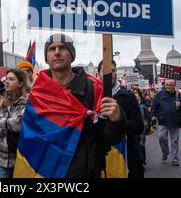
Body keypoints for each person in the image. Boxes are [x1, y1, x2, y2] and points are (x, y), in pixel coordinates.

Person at [27, 33, 126, 177]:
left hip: (86, 172)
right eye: (51, 49)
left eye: (62, 47)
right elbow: (31, 138)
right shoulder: (37, 93)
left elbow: (111, 138)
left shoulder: (95, 89)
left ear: (72, 54)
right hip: (47, 172)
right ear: (46, 58)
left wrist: (117, 120)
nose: (57, 52)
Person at [97, 59, 144, 178]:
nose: (110, 73)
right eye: (106, 70)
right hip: (99, 157)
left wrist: (118, 121)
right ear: (98, 74)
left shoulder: (128, 96)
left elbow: (139, 127)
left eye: (112, 70)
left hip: (126, 155)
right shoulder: (93, 95)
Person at [0, 69, 29, 178]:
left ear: (21, 83)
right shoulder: (3, 102)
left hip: (21, 159)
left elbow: (18, 125)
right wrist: (8, 122)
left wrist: (0, 122)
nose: (7, 82)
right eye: (7, 79)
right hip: (1, 159)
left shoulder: (28, 101)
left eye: (12, 79)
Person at [151, 80, 181, 166]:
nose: (168, 86)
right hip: (163, 120)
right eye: (166, 85)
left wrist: (180, 105)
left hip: (175, 121)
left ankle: (175, 159)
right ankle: (165, 152)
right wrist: (153, 115)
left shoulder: (178, 95)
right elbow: (154, 106)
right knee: (161, 138)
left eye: (170, 85)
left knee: (175, 141)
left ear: (174, 86)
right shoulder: (160, 94)